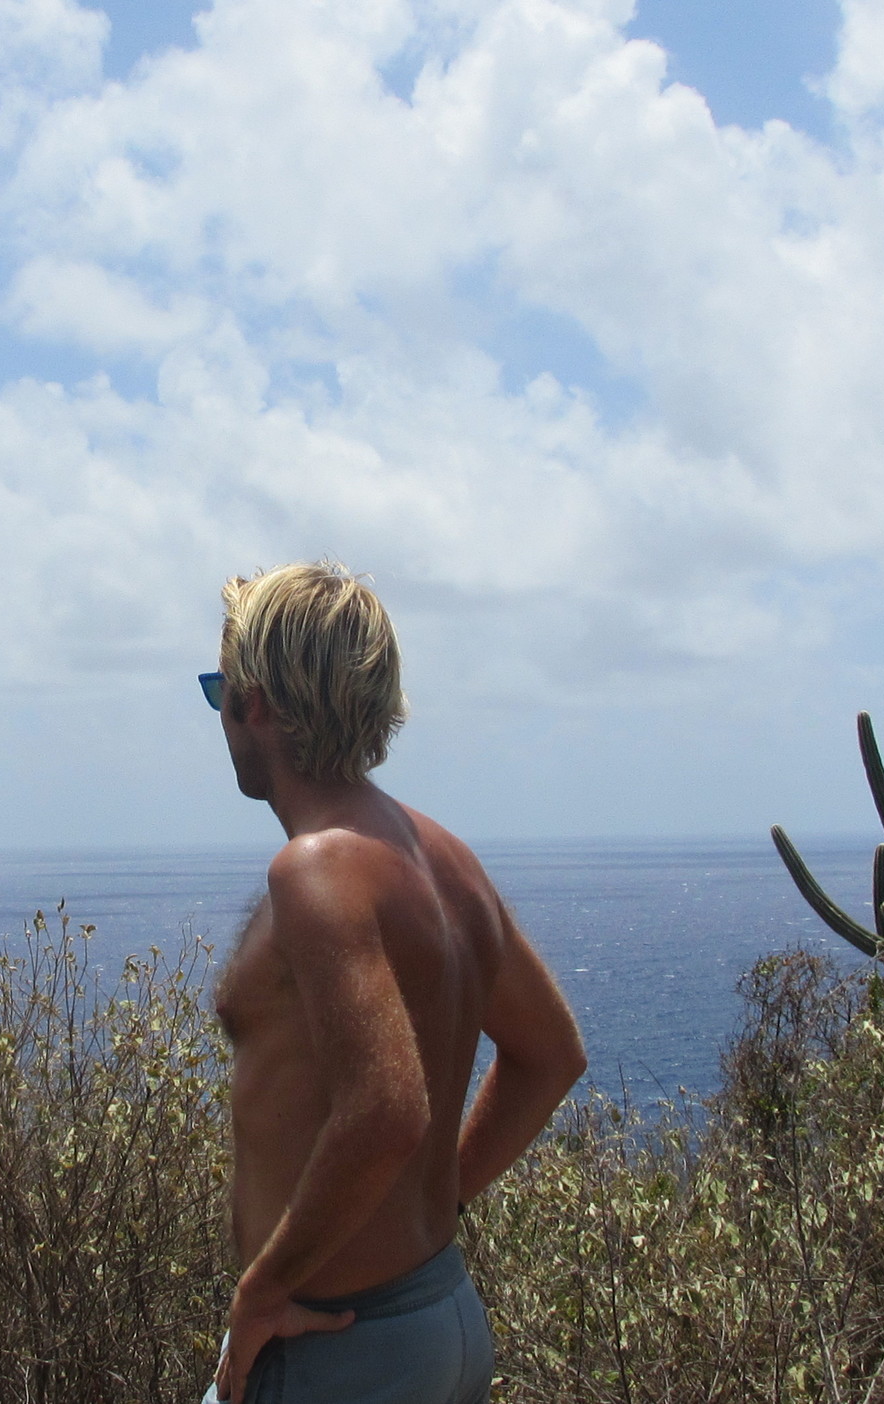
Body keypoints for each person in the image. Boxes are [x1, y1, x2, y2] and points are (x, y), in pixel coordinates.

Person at [197, 562, 588, 1404]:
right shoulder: (440, 855)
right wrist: (438, 1204)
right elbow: (551, 1054)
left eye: (215, 689)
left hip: (338, 1352)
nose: (218, 716)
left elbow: (387, 1107)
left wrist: (262, 1291)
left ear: (253, 704)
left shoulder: (315, 870)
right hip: (437, 1317)